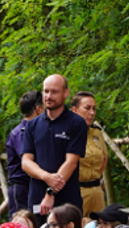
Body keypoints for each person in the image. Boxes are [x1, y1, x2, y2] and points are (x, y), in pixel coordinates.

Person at [20, 74, 88, 215]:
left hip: (67, 202)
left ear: (66, 93)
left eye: (54, 92)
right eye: (46, 91)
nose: (49, 96)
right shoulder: (32, 125)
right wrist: (46, 176)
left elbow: (71, 163)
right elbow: (26, 162)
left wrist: (50, 193)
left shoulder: (76, 123)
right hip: (37, 200)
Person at [68, 92, 112, 217]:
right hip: (76, 191)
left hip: (96, 191)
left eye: (94, 109)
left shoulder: (96, 132)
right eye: (87, 108)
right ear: (75, 110)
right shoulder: (67, 133)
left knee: (100, 225)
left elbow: (104, 158)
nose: (92, 113)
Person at [5, 91, 40, 218]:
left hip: (34, 186)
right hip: (21, 188)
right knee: (21, 223)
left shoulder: (35, 130)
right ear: (38, 109)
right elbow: (28, 159)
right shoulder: (20, 133)